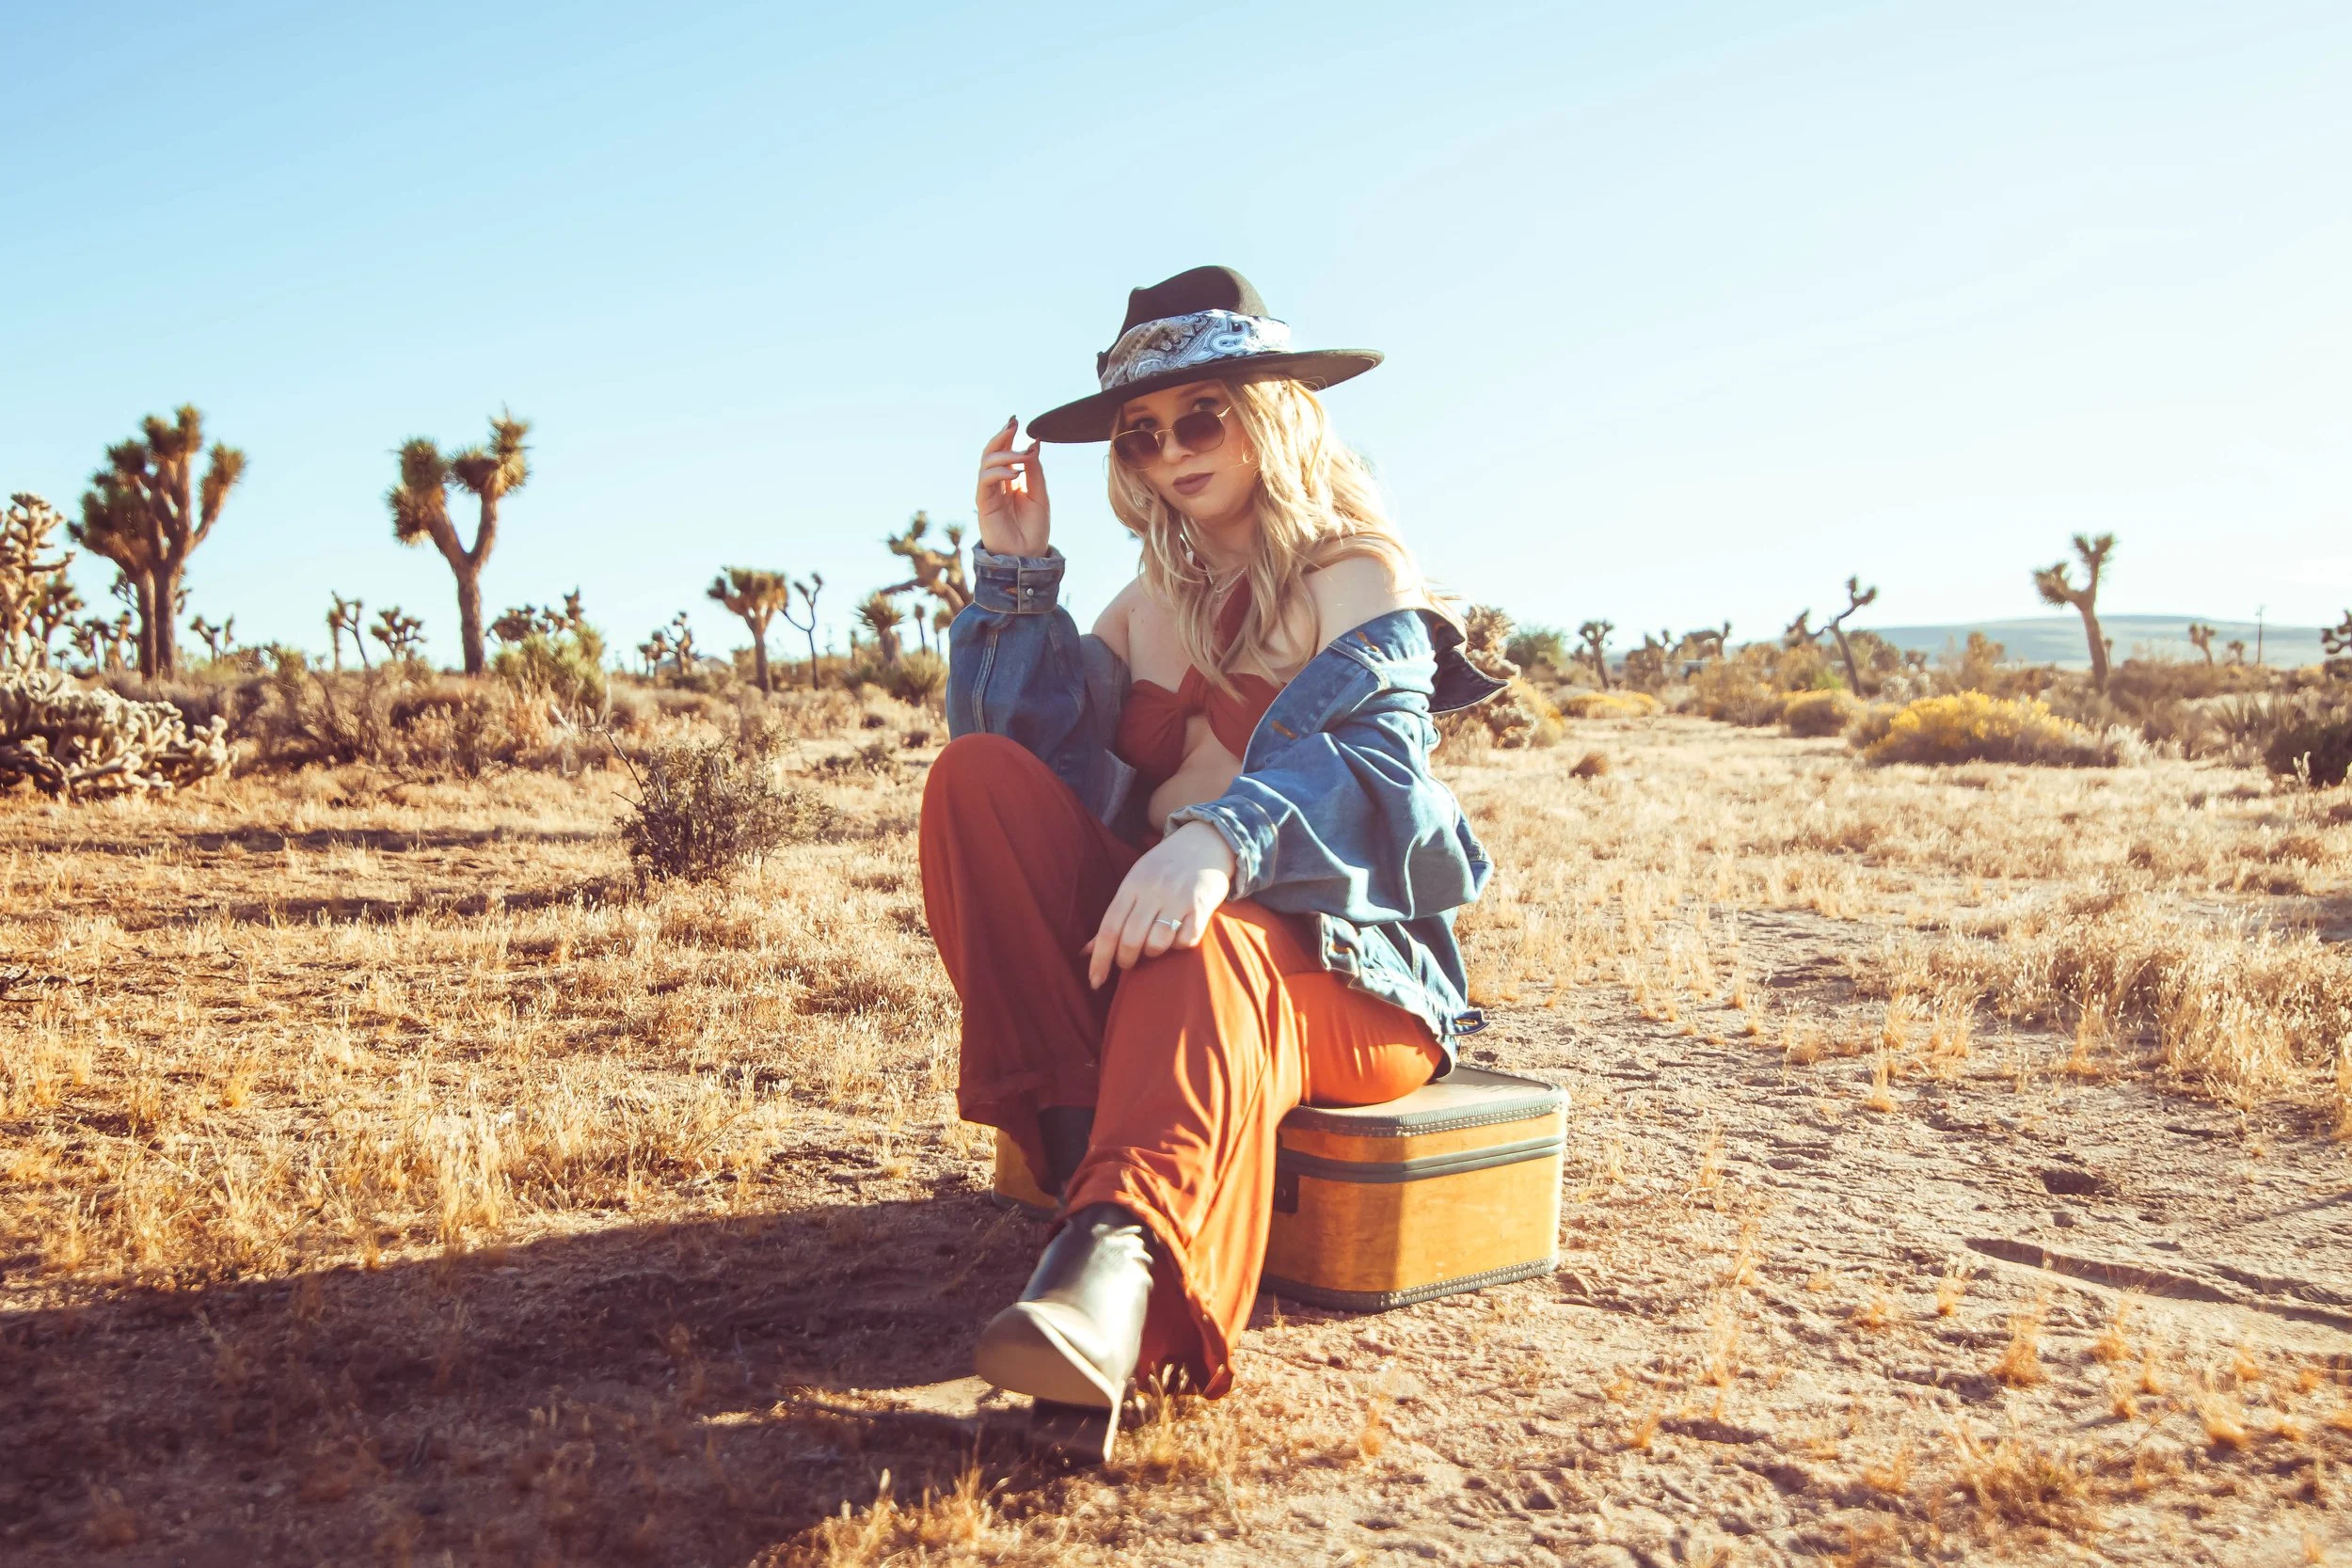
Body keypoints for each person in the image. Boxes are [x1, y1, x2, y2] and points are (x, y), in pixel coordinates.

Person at [919, 265, 1505, 1457]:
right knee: (971, 782)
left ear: (1271, 409)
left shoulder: (1357, 574)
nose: (1171, 450)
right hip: (1146, 959)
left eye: (1202, 415)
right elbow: (1021, 750)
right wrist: (1018, 568)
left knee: (1210, 937)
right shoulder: (1146, 600)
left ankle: (1117, 1273)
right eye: (1142, 435)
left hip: (1337, 969)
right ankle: (1090, 1136)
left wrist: (1221, 840)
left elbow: (1378, 769)